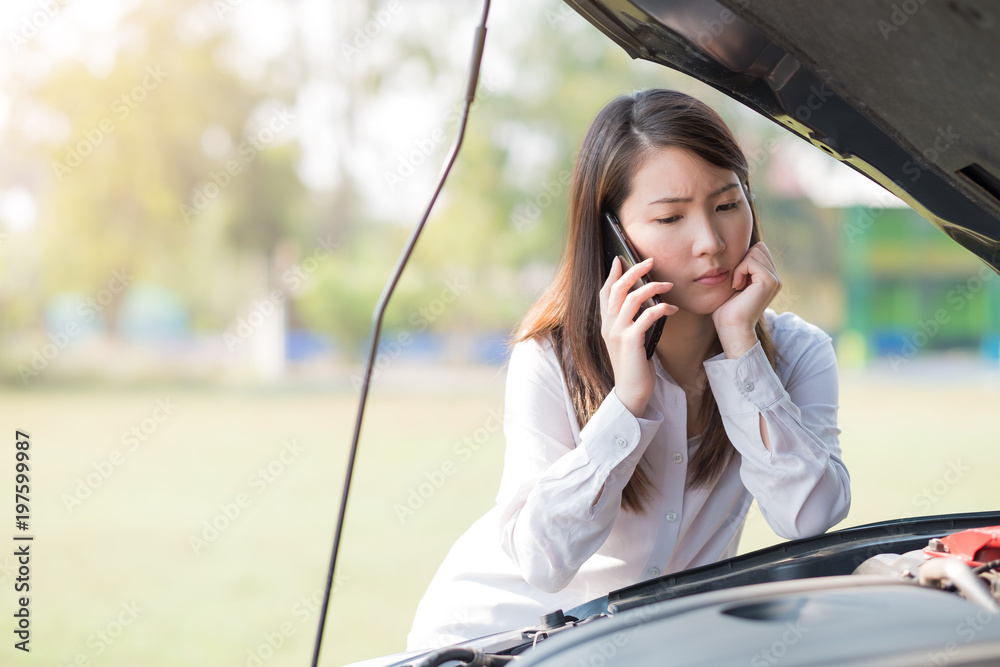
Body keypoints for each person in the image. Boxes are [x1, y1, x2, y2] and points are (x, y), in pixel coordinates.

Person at [406, 89, 850, 650]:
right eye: (670, 217)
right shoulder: (549, 360)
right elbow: (542, 561)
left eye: (727, 204)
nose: (710, 243)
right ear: (613, 234)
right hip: (496, 638)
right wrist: (628, 402)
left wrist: (741, 346)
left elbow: (808, 515)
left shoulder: (797, 355)